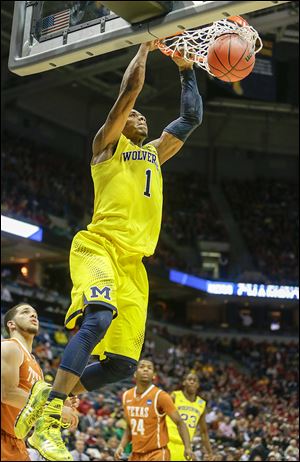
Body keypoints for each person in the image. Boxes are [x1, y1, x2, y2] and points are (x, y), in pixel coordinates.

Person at [17, 39, 203, 461]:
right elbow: (128, 94)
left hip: (134, 266)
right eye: (132, 116)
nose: (138, 116)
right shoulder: (106, 147)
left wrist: (185, 67)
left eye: (142, 117)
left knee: (120, 363)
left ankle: (49, 392)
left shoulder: (154, 153)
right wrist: (144, 47)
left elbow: (191, 117)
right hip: (98, 246)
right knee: (97, 318)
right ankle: (50, 416)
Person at [1, 303, 77, 461]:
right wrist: (55, 410)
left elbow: (32, 409)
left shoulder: (36, 366)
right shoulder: (9, 347)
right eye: (25, 312)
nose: (33, 315)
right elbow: (7, 393)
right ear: (11, 324)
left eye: (35, 313)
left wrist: (62, 404)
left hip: (17, 442)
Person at [115, 359, 193, 461]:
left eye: (149, 368)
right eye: (142, 367)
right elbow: (130, 428)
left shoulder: (161, 396)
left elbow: (180, 422)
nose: (145, 370)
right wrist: (121, 446)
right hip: (136, 454)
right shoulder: (126, 396)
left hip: (157, 453)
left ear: (154, 376)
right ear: (135, 373)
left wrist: (187, 447)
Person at [166, 373, 213, 461]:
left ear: (198, 385)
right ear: (184, 382)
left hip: (185, 448)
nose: (192, 382)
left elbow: (203, 432)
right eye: (189, 379)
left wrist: (210, 452)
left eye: (194, 380)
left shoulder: (201, 404)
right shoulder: (174, 396)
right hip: (168, 443)